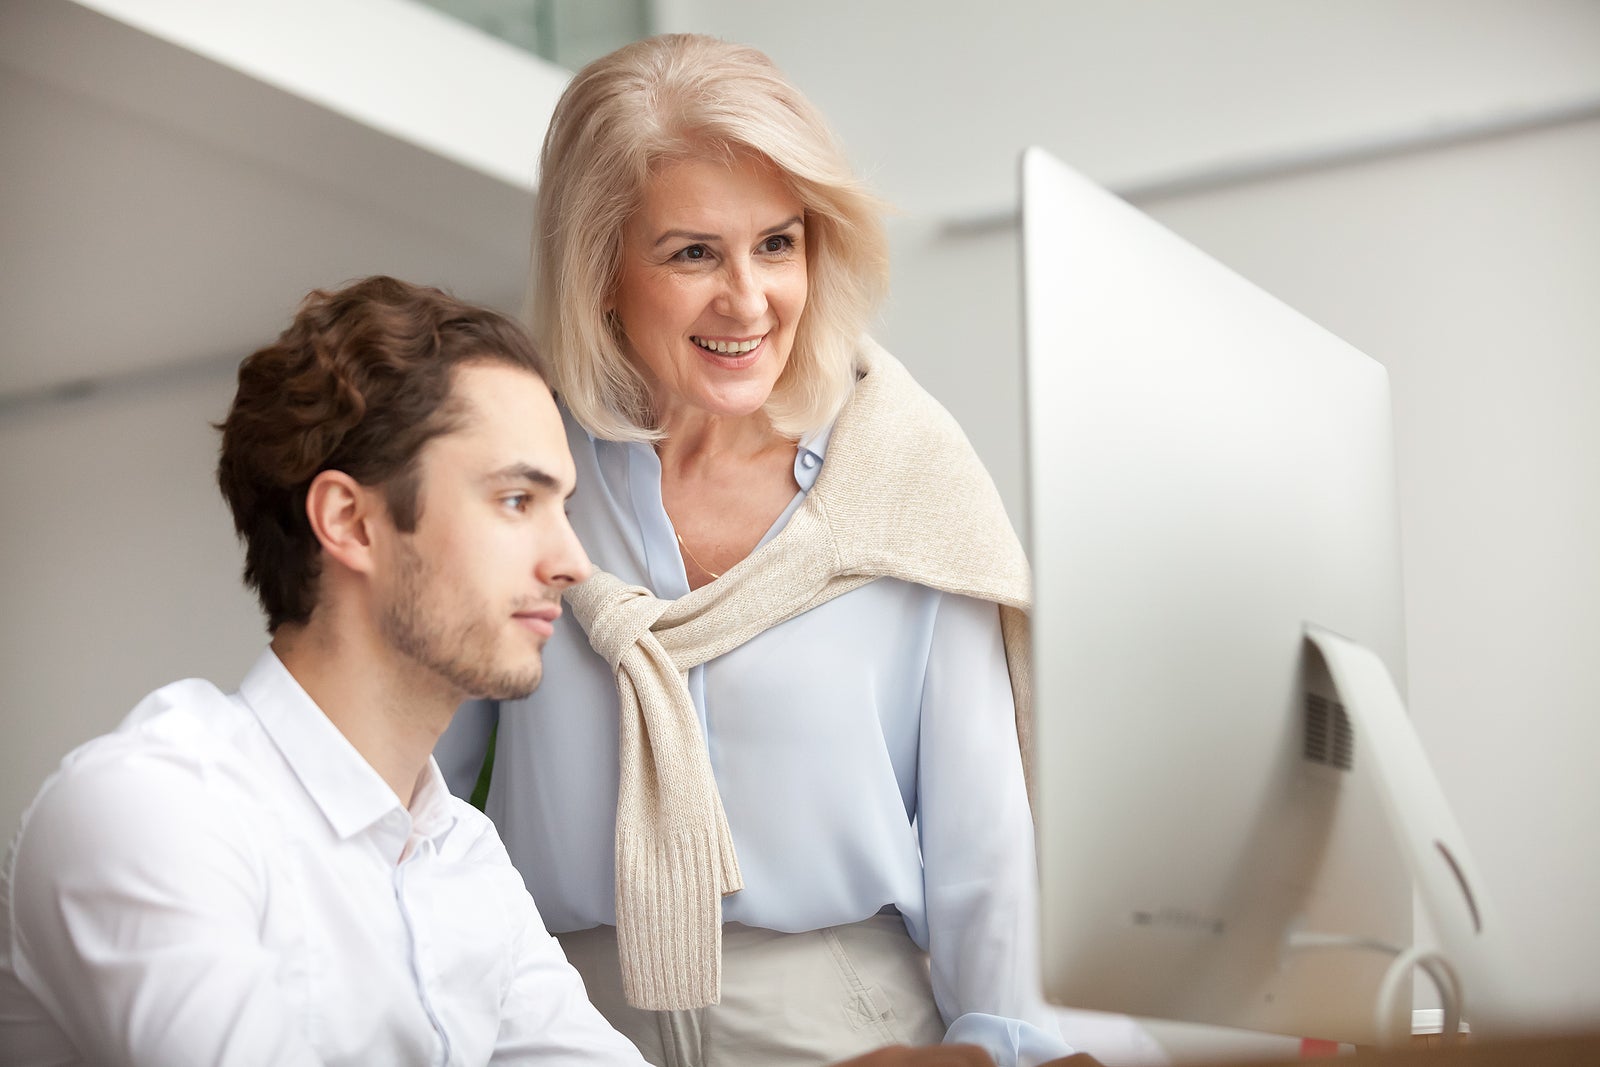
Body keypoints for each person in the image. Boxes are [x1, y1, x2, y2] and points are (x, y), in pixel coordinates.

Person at [0, 276, 1037, 1067]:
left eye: (564, 502)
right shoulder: (151, 813)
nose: (574, 559)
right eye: (515, 501)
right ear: (350, 520)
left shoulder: (461, 859)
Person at [436, 34, 1070, 1067]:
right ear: (599, 269)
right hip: (560, 1025)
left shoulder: (904, 473)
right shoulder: (519, 476)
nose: (748, 299)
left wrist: (1005, 1049)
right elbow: (414, 786)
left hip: (845, 1032)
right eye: (692, 252)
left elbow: (985, 853)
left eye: (777, 243)